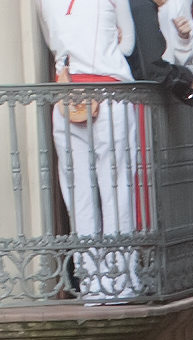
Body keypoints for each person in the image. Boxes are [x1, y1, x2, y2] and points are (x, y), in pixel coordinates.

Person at [38, 0, 142, 302]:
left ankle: (91, 285)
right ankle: (121, 281)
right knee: (117, 189)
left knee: (78, 194)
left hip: (67, 97)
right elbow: (128, 44)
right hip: (109, 93)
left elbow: (50, 39)